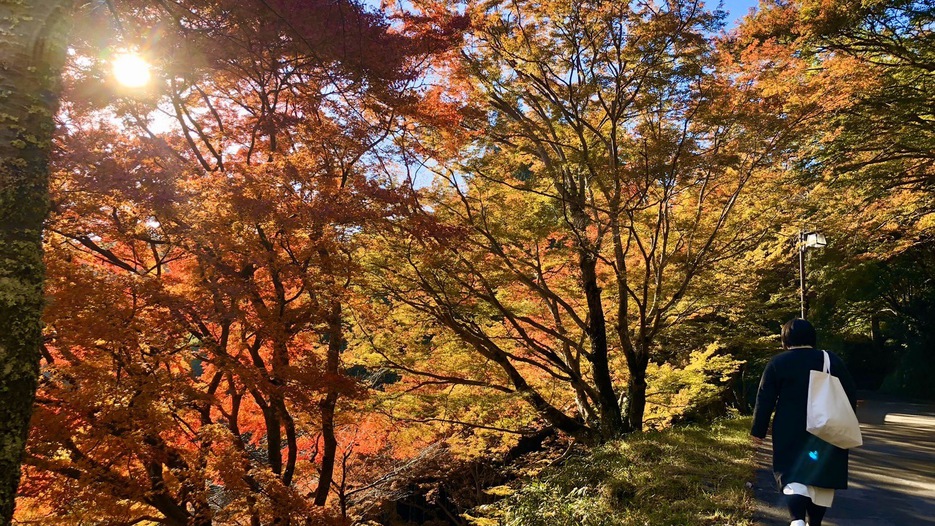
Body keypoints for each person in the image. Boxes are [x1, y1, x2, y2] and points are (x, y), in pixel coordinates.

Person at [751, 318, 858, 526]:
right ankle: (814, 523)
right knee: (822, 476)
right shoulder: (830, 360)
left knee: (793, 473)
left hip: (790, 428)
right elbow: (849, 394)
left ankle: (797, 519)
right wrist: (846, 418)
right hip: (827, 427)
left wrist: (759, 431)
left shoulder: (778, 362)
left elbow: (765, 399)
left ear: (785, 339)